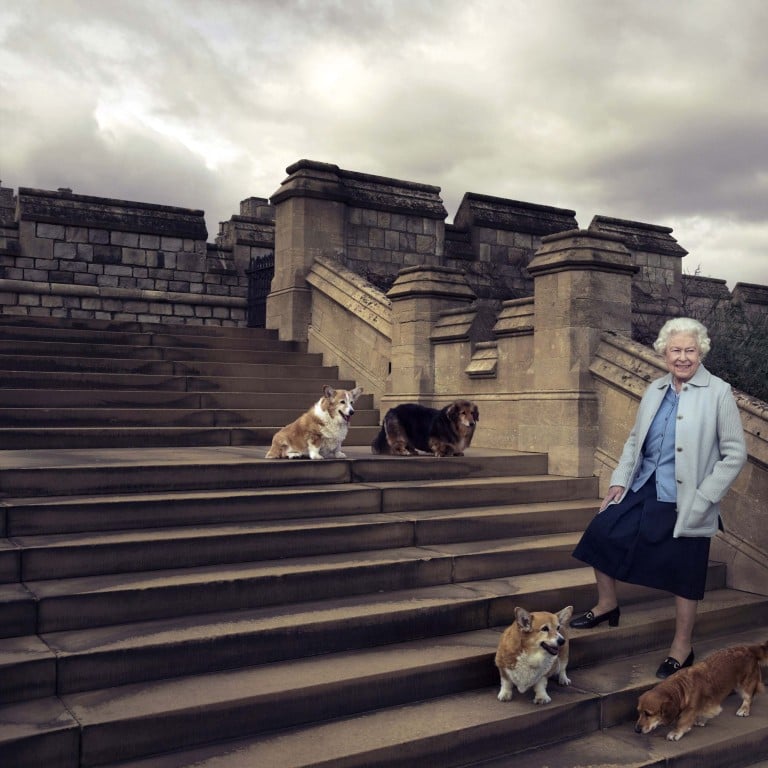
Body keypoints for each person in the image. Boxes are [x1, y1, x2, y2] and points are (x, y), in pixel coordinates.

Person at [571, 317, 747, 678]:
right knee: (600, 533)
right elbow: (636, 440)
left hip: (688, 497)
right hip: (645, 485)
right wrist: (620, 481)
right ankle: (607, 605)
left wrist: (706, 497)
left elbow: (735, 454)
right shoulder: (655, 389)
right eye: (675, 351)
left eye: (689, 351)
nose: (682, 357)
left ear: (701, 353)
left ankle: (682, 647)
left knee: (685, 570)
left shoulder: (718, 392)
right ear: (664, 353)